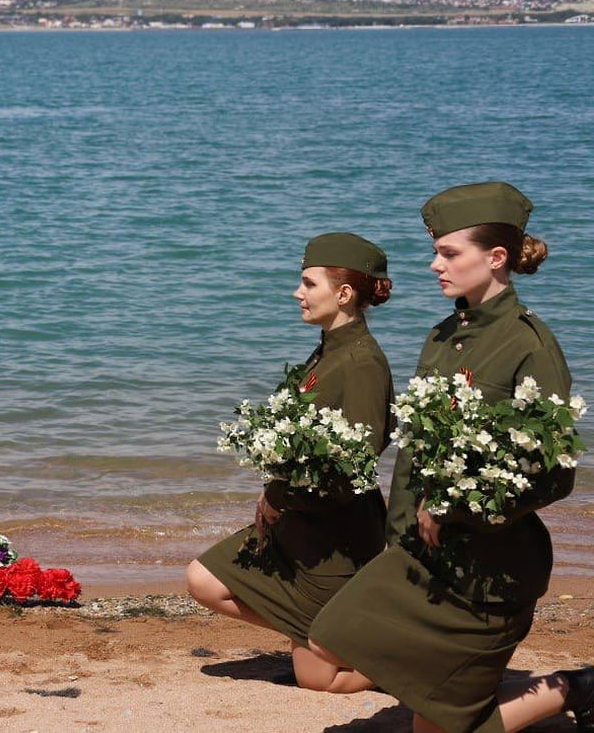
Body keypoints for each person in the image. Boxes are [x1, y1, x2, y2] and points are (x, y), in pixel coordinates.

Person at [309, 182, 593, 732]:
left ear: (496, 258)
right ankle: (464, 692)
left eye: (449, 253)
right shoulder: (442, 336)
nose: (434, 263)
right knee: (330, 635)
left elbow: (555, 475)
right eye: (436, 250)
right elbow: (417, 450)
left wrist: (454, 508)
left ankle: (572, 687)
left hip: (491, 568)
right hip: (420, 553)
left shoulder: (530, 344)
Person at [186, 232, 394, 691]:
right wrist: (274, 489)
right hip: (298, 525)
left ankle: (392, 662)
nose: (296, 292)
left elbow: (356, 463)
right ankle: (320, 633)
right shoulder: (328, 349)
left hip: (335, 541)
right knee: (203, 579)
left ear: (343, 294)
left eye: (307, 283)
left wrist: (280, 496)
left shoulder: (361, 362)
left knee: (320, 681)